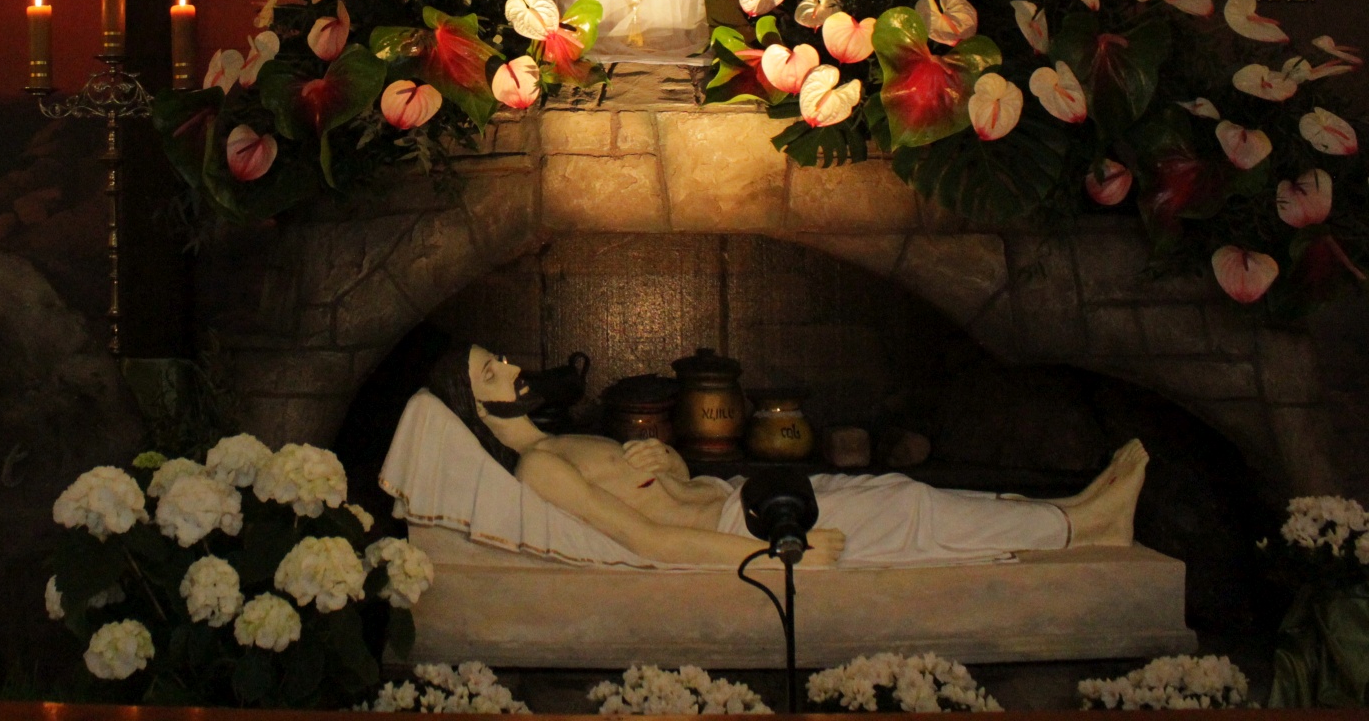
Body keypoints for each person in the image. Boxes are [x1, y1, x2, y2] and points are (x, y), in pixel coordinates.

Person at [422, 344, 1148, 569]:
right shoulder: (540, 469)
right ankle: (1078, 529)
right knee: (909, 509)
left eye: (498, 359)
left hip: (734, 496)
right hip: (744, 530)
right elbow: (645, 540)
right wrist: (776, 554)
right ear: (479, 410)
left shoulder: (563, 442)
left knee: (898, 490)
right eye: (491, 373)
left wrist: (674, 469)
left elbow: (661, 488)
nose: (510, 368)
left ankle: (1069, 510)